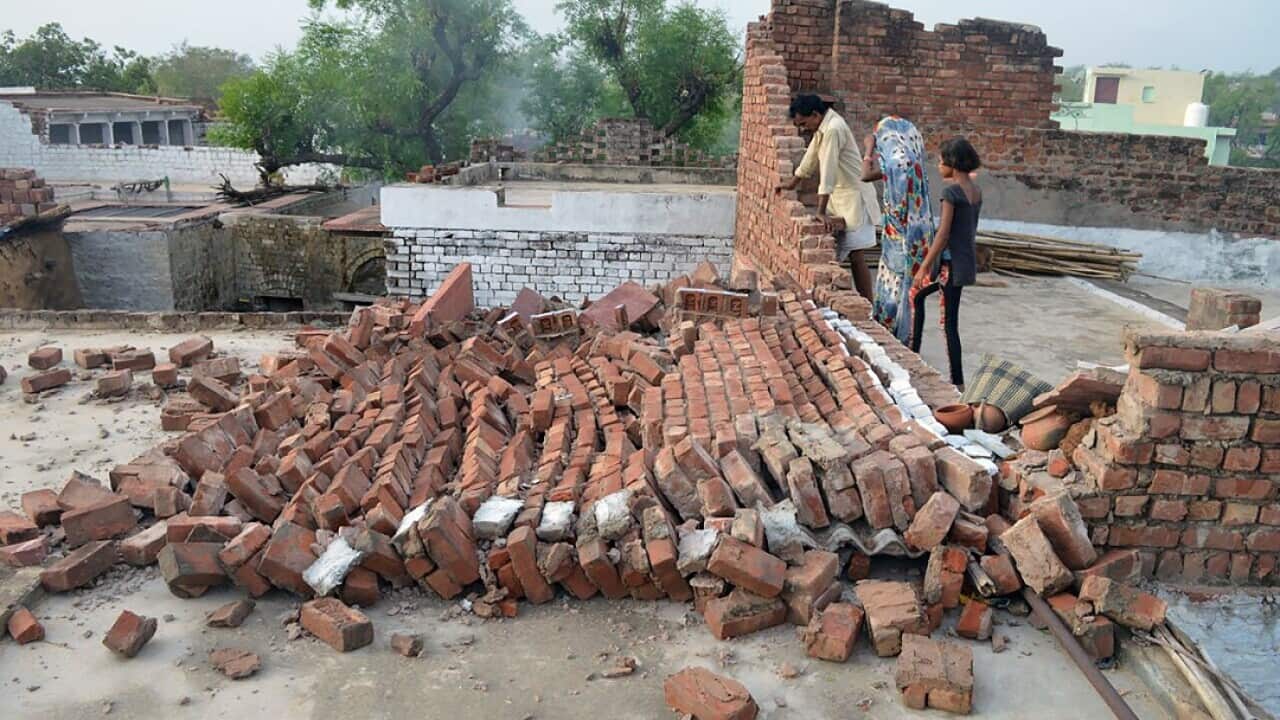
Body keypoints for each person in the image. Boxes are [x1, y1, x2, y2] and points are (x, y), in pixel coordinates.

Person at [776, 94, 881, 300]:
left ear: (815, 114)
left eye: (804, 123)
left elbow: (828, 171)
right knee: (845, 255)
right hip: (841, 198)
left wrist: (820, 211)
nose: (804, 129)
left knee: (856, 255)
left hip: (854, 198)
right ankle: (855, 304)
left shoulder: (833, 129)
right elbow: (810, 158)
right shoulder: (822, 127)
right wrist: (792, 183)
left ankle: (867, 307)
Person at [909, 137, 982, 390]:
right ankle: (912, 354)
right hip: (963, 263)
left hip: (950, 268)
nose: (939, 166)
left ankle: (957, 382)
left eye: (941, 161)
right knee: (918, 299)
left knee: (948, 324)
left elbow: (943, 233)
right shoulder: (975, 190)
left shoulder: (950, 192)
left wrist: (924, 266)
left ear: (952, 163)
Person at [861, 116, 935, 344]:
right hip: (917, 238)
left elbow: (864, 175)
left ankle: (896, 335)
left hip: (899, 239)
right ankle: (907, 334)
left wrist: (868, 149)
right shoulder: (912, 162)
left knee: (894, 285)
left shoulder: (896, 165)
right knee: (909, 290)